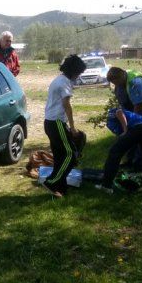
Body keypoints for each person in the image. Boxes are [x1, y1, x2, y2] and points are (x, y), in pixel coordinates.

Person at [41, 54, 87, 199]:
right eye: (79, 72)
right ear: (74, 71)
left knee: (60, 156)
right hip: (56, 123)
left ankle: (60, 188)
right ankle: (52, 182)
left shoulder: (60, 79)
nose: (79, 75)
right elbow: (67, 105)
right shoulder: (64, 83)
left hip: (50, 122)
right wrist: (72, 127)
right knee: (70, 155)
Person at [106, 66, 142, 169]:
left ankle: (140, 166)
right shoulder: (122, 81)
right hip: (136, 108)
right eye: (114, 84)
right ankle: (130, 161)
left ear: (122, 76)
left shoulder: (136, 83)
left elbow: (138, 106)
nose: (116, 86)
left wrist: (132, 125)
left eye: (117, 83)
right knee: (130, 136)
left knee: (141, 136)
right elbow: (123, 105)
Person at [95, 108, 142, 195]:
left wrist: (125, 130)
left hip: (139, 128)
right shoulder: (132, 117)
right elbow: (126, 140)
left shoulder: (111, 114)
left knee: (114, 153)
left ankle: (106, 186)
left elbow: (119, 112)